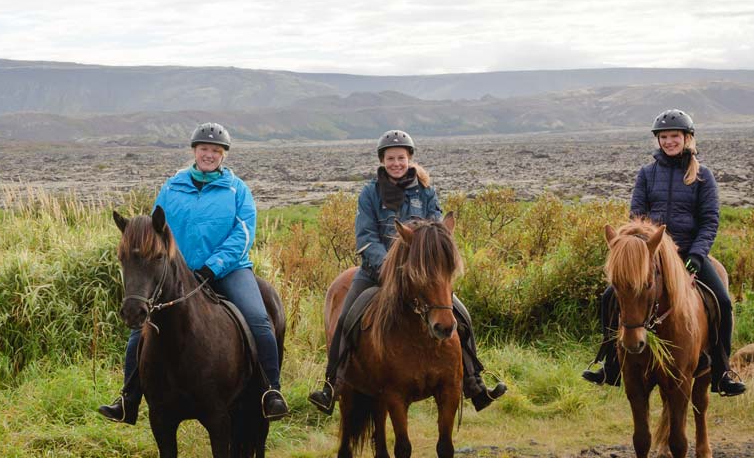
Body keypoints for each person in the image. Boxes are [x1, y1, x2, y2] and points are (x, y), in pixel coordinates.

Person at [99, 122, 290, 423]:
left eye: (216, 151)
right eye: (204, 149)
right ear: (194, 151)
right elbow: (155, 232)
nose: (209, 155)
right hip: (177, 274)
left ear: (223, 155)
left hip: (228, 270)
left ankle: (270, 391)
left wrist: (212, 267)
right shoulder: (172, 187)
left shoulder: (237, 190)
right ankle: (128, 397)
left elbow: (243, 234)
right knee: (141, 329)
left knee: (259, 319)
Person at [307, 129, 507, 414]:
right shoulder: (369, 193)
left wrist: (427, 265)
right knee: (346, 318)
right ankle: (332, 385)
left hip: (421, 276)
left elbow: (437, 232)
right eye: (391, 158)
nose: (396, 163)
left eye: (401, 158)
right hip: (375, 272)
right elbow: (366, 238)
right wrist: (392, 269)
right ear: (382, 161)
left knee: (461, 316)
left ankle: (474, 383)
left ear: (410, 159)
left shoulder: (425, 191)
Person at [582, 109, 746, 396]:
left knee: (722, 301)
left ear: (687, 138)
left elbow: (710, 220)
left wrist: (697, 254)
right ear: (658, 140)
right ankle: (609, 363)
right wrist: (641, 249)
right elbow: (637, 217)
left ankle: (722, 371)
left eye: (675, 136)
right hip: (652, 253)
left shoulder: (703, 176)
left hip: (689, 255)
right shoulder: (647, 174)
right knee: (610, 296)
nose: (669, 141)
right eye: (664, 137)